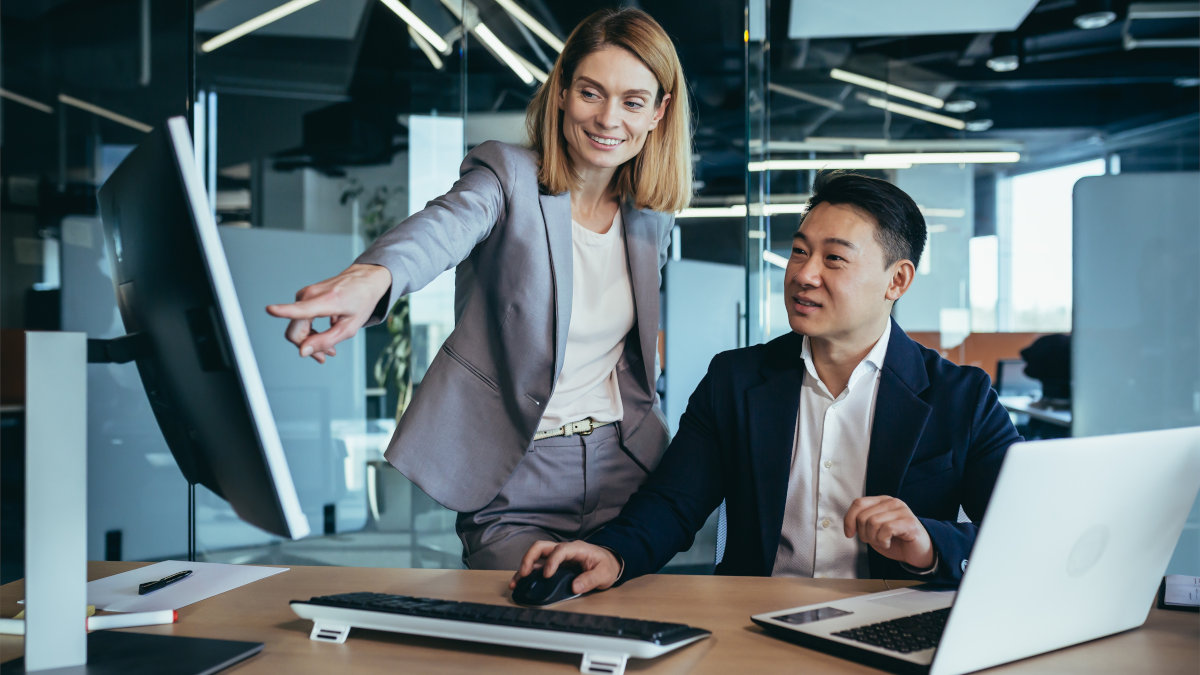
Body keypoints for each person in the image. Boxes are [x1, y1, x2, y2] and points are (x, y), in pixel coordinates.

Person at [265, 8, 692, 570]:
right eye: (591, 92)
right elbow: (442, 229)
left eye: (633, 102)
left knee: (626, 618)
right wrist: (374, 278)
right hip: (516, 475)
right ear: (563, 92)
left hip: (625, 468)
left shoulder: (650, 219)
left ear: (659, 112)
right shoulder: (507, 176)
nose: (608, 118)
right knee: (529, 614)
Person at [513, 171, 1023, 593]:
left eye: (834, 258)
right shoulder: (735, 380)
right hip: (757, 622)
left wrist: (931, 545)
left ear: (897, 280)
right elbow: (673, 503)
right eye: (799, 251)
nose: (804, 274)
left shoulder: (962, 397)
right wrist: (612, 553)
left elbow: (1024, 532)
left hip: (892, 622)